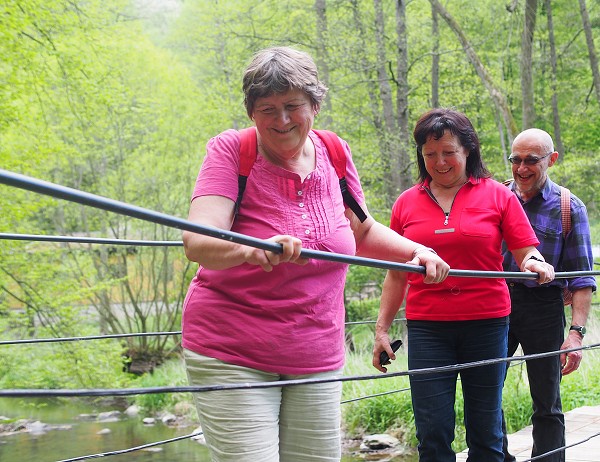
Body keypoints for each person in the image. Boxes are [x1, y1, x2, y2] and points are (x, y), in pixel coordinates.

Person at [181, 46, 450, 462]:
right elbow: (198, 242)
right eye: (267, 108)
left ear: (315, 105)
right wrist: (251, 249)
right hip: (232, 350)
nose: (282, 119)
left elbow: (361, 231)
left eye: (293, 106)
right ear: (251, 112)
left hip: (316, 353)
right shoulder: (231, 151)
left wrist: (417, 249)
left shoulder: (334, 153)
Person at [372, 108, 556, 462]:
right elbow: (395, 274)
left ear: (468, 150)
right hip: (428, 328)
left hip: (486, 324)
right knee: (432, 429)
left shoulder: (498, 196)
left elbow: (525, 250)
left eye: (448, 152)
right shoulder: (405, 203)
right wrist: (382, 330)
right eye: (430, 154)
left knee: (486, 430)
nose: (439, 162)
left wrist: (534, 263)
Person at [501, 128, 596, 462]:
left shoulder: (569, 207)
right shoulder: (495, 197)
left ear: (551, 160)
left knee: (547, 400)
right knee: (483, 393)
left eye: (531, 160)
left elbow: (582, 278)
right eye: (516, 160)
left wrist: (576, 334)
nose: (522, 168)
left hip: (543, 306)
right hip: (497, 303)